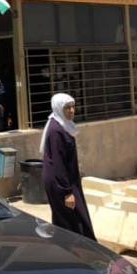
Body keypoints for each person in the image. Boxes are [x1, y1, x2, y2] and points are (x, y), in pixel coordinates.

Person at [40, 93, 96, 241]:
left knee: (72, 218)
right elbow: (57, 163)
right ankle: (78, 249)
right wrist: (67, 193)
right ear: (59, 109)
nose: (71, 111)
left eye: (73, 107)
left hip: (66, 180)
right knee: (72, 220)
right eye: (67, 108)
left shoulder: (62, 125)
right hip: (61, 183)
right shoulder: (56, 130)